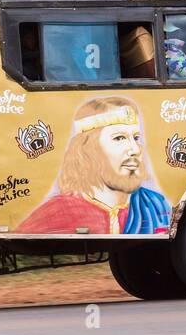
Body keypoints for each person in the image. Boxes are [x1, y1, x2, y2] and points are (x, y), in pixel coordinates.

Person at [16, 96, 171, 234]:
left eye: (136, 138)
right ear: (89, 149)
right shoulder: (56, 213)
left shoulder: (155, 205)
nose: (135, 150)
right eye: (119, 138)